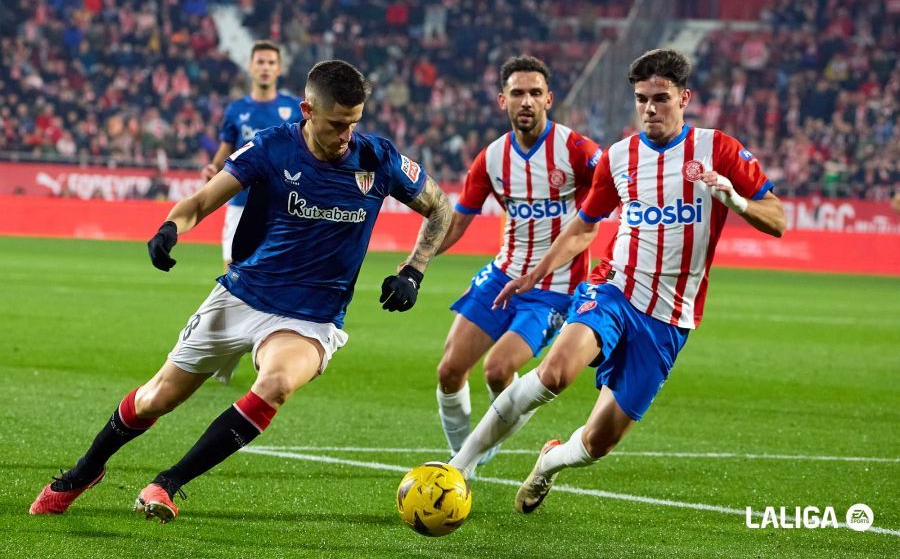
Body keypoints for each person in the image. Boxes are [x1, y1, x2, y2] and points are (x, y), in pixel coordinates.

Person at [30, 59, 452, 523]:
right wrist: (172, 227)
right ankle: (87, 469)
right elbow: (202, 200)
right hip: (243, 295)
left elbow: (440, 207)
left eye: (354, 123)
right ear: (307, 110)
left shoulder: (379, 158)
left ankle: (167, 483)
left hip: (311, 317)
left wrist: (413, 270)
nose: (346, 136)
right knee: (157, 398)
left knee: (275, 383)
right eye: (336, 124)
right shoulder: (273, 148)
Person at [447, 49, 786, 515]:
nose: (650, 108)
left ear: (684, 98)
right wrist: (537, 272)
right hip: (614, 288)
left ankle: (549, 462)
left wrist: (738, 201)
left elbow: (778, 218)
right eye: (642, 99)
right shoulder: (620, 156)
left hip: (670, 316)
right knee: (555, 373)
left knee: (597, 443)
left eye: (661, 98)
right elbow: (585, 225)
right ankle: (459, 468)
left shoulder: (719, 151)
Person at [434, 55, 602, 464]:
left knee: (497, 370)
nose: (526, 101)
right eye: (517, 93)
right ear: (501, 101)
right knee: (449, 370)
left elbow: (599, 214)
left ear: (549, 99)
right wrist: (417, 260)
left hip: (555, 289)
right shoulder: (491, 159)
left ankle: (467, 464)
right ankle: (463, 455)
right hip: (502, 274)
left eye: (534, 93)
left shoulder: (578, 151)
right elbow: (458, 222)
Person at [202, 40, 302, 272]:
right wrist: (213, 168)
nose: (265, 67)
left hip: (283, 205)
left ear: (279, 69)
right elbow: (226, 148)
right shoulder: (236, 110)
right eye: (260, 62)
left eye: (271, 63)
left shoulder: (296, 108)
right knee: (233, 276)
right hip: (240, 202)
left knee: (279, 277)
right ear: (250, 66)